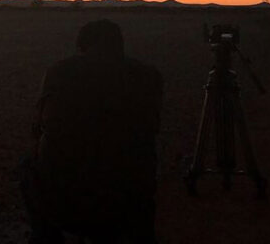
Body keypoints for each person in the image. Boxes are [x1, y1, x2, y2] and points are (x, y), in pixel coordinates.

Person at [20, 19, 163, 244]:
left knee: (26, 165)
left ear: (82, 45)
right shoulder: (148, 75)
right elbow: (153, 127)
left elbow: (39, 127)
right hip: (129, 199)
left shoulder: (59, 72)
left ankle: (45, 236)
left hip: (64, 199)